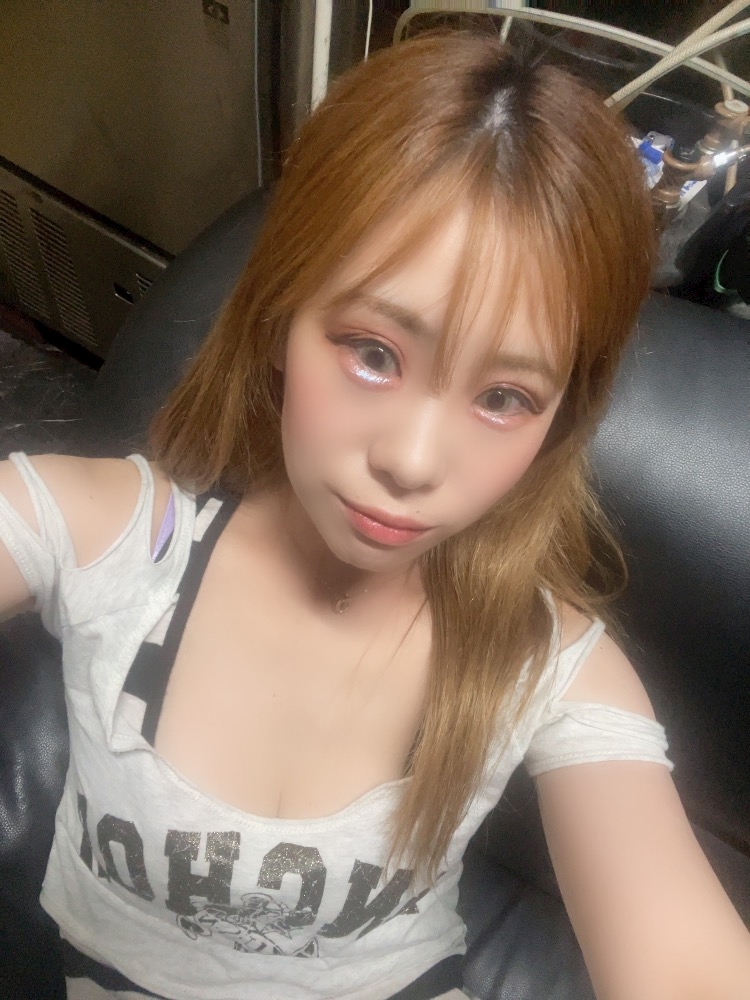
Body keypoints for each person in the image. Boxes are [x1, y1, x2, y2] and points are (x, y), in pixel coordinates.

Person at [0, 30, 749, 1000]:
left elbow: (688, 967)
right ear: (280, 317)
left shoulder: (547, 663)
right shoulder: (109, 537)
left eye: (504, 397)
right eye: (372, 352)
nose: (413, 460)